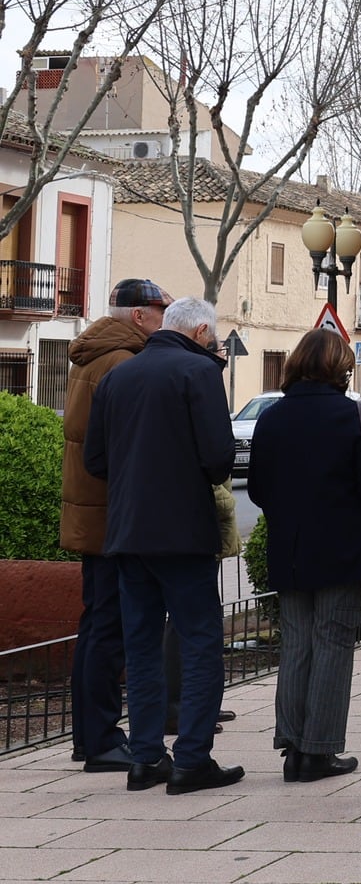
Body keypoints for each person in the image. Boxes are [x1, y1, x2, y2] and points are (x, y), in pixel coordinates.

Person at [84, 295, 241, 793]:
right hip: (184, 534)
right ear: (198, 333)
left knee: (141, 647)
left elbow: (95, 460)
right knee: (199, 643)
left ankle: (147, 758)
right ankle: (192, 758)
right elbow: (219, 458)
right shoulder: (199, 375)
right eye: (211, 338)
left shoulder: (117, 377)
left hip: (128, 533)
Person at [247, 329, 361, 782]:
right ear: (338, 369)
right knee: (333, 641)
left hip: (288, 549)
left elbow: (256, 489)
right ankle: (319, 751)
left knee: (295, 642)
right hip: (340, 548)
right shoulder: (354, 416)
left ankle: (291, 744)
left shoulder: (272, 418)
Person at [61, 276, 170, 772]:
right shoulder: (123, 362)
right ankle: (102, 739)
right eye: (161, 313)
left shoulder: (95, 353)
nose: (165, 322)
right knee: (109, 628)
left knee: (96, 625)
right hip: (110, 513)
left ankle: (90, 736)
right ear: (141, 316)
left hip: (93, 510)